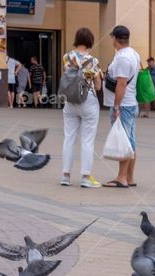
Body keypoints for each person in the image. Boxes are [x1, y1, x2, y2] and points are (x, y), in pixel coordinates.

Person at [60, 27, 103, 189]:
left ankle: (65, 175)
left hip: (70, 101)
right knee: (87, 140)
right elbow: (98, 86)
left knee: (69, 137)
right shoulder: (93, 61)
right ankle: (85, 177)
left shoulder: (66, 57)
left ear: (77, 40)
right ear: (90, 41)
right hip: (88, 101)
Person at [102, 24, 140, 188]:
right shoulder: (133, 54)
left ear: (115, 39)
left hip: (123, 105)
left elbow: (122, 84)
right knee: (130, 141)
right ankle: (129, 177)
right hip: (129, 103)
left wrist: (116, 106)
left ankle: (122, 177)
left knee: (123, 141)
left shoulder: (123, 58)